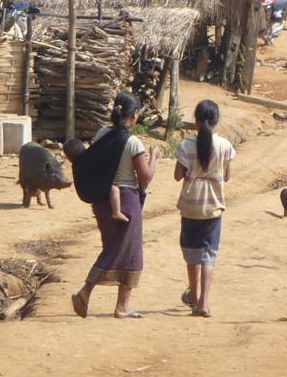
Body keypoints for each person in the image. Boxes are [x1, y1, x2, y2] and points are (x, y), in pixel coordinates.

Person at [71, 92, 159, 319]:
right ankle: (95, 294)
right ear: (136, 115)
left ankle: (109, 301)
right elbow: (146, 177)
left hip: (103, 202)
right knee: (129, 252)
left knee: (112, 247)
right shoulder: (132, 142)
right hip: (127, 200)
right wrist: (154, 157)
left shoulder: (103, 133)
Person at [174, 99, 235, 318]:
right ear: (216, 121)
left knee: (192, 254)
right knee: (208, 254)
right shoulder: (225, 146)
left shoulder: (185, 145)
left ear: (196, 122)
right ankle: (203, 303)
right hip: (213, 206)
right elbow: (227, 177)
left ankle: (193, 294)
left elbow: (177, 176)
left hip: (191, 206)